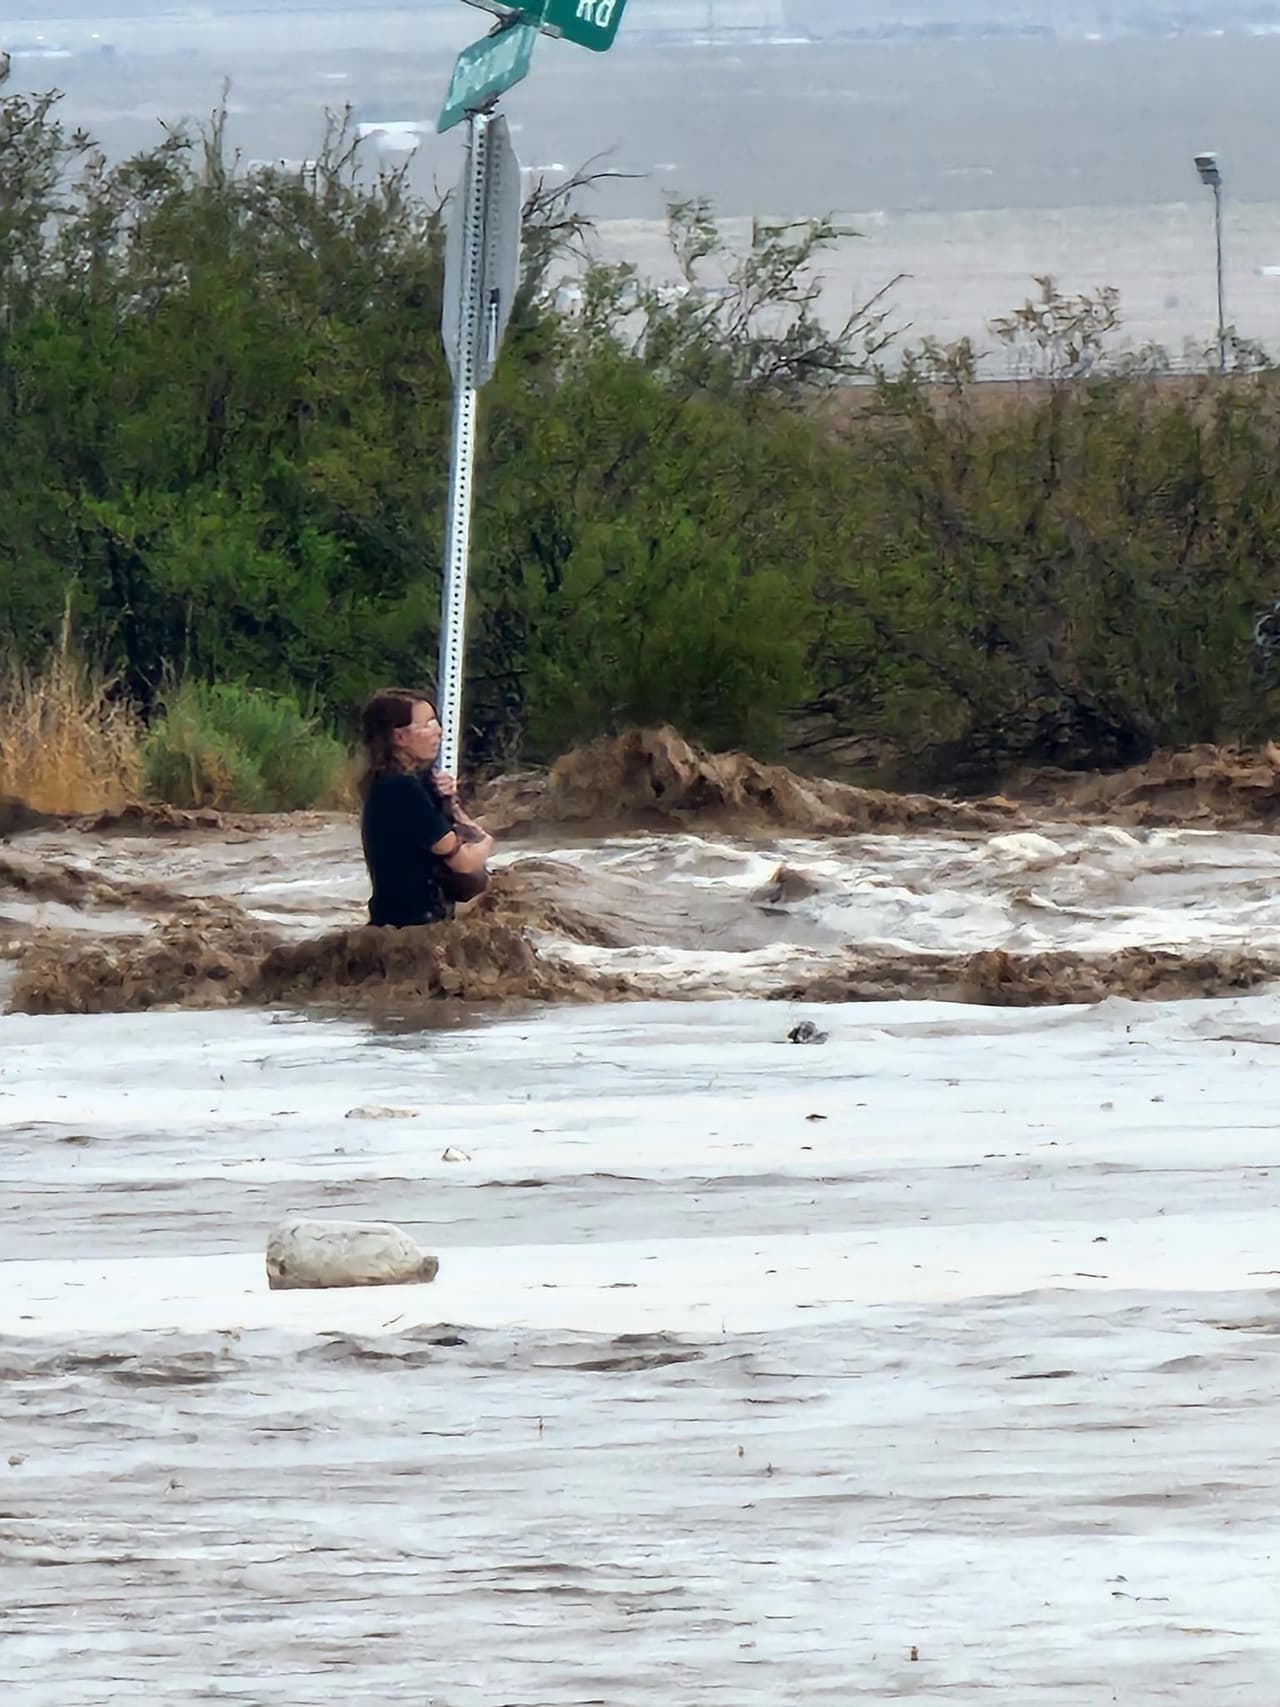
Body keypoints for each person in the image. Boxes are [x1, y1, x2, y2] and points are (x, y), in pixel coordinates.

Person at [358, 689, 495, 928]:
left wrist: (448, 799)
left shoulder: (405, 783)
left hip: (401, 928)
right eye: (428, 725)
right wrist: (487, 842)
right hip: (412, 933)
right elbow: (463, 863)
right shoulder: (400, 789)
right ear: (399, 737)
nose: (439, 731)